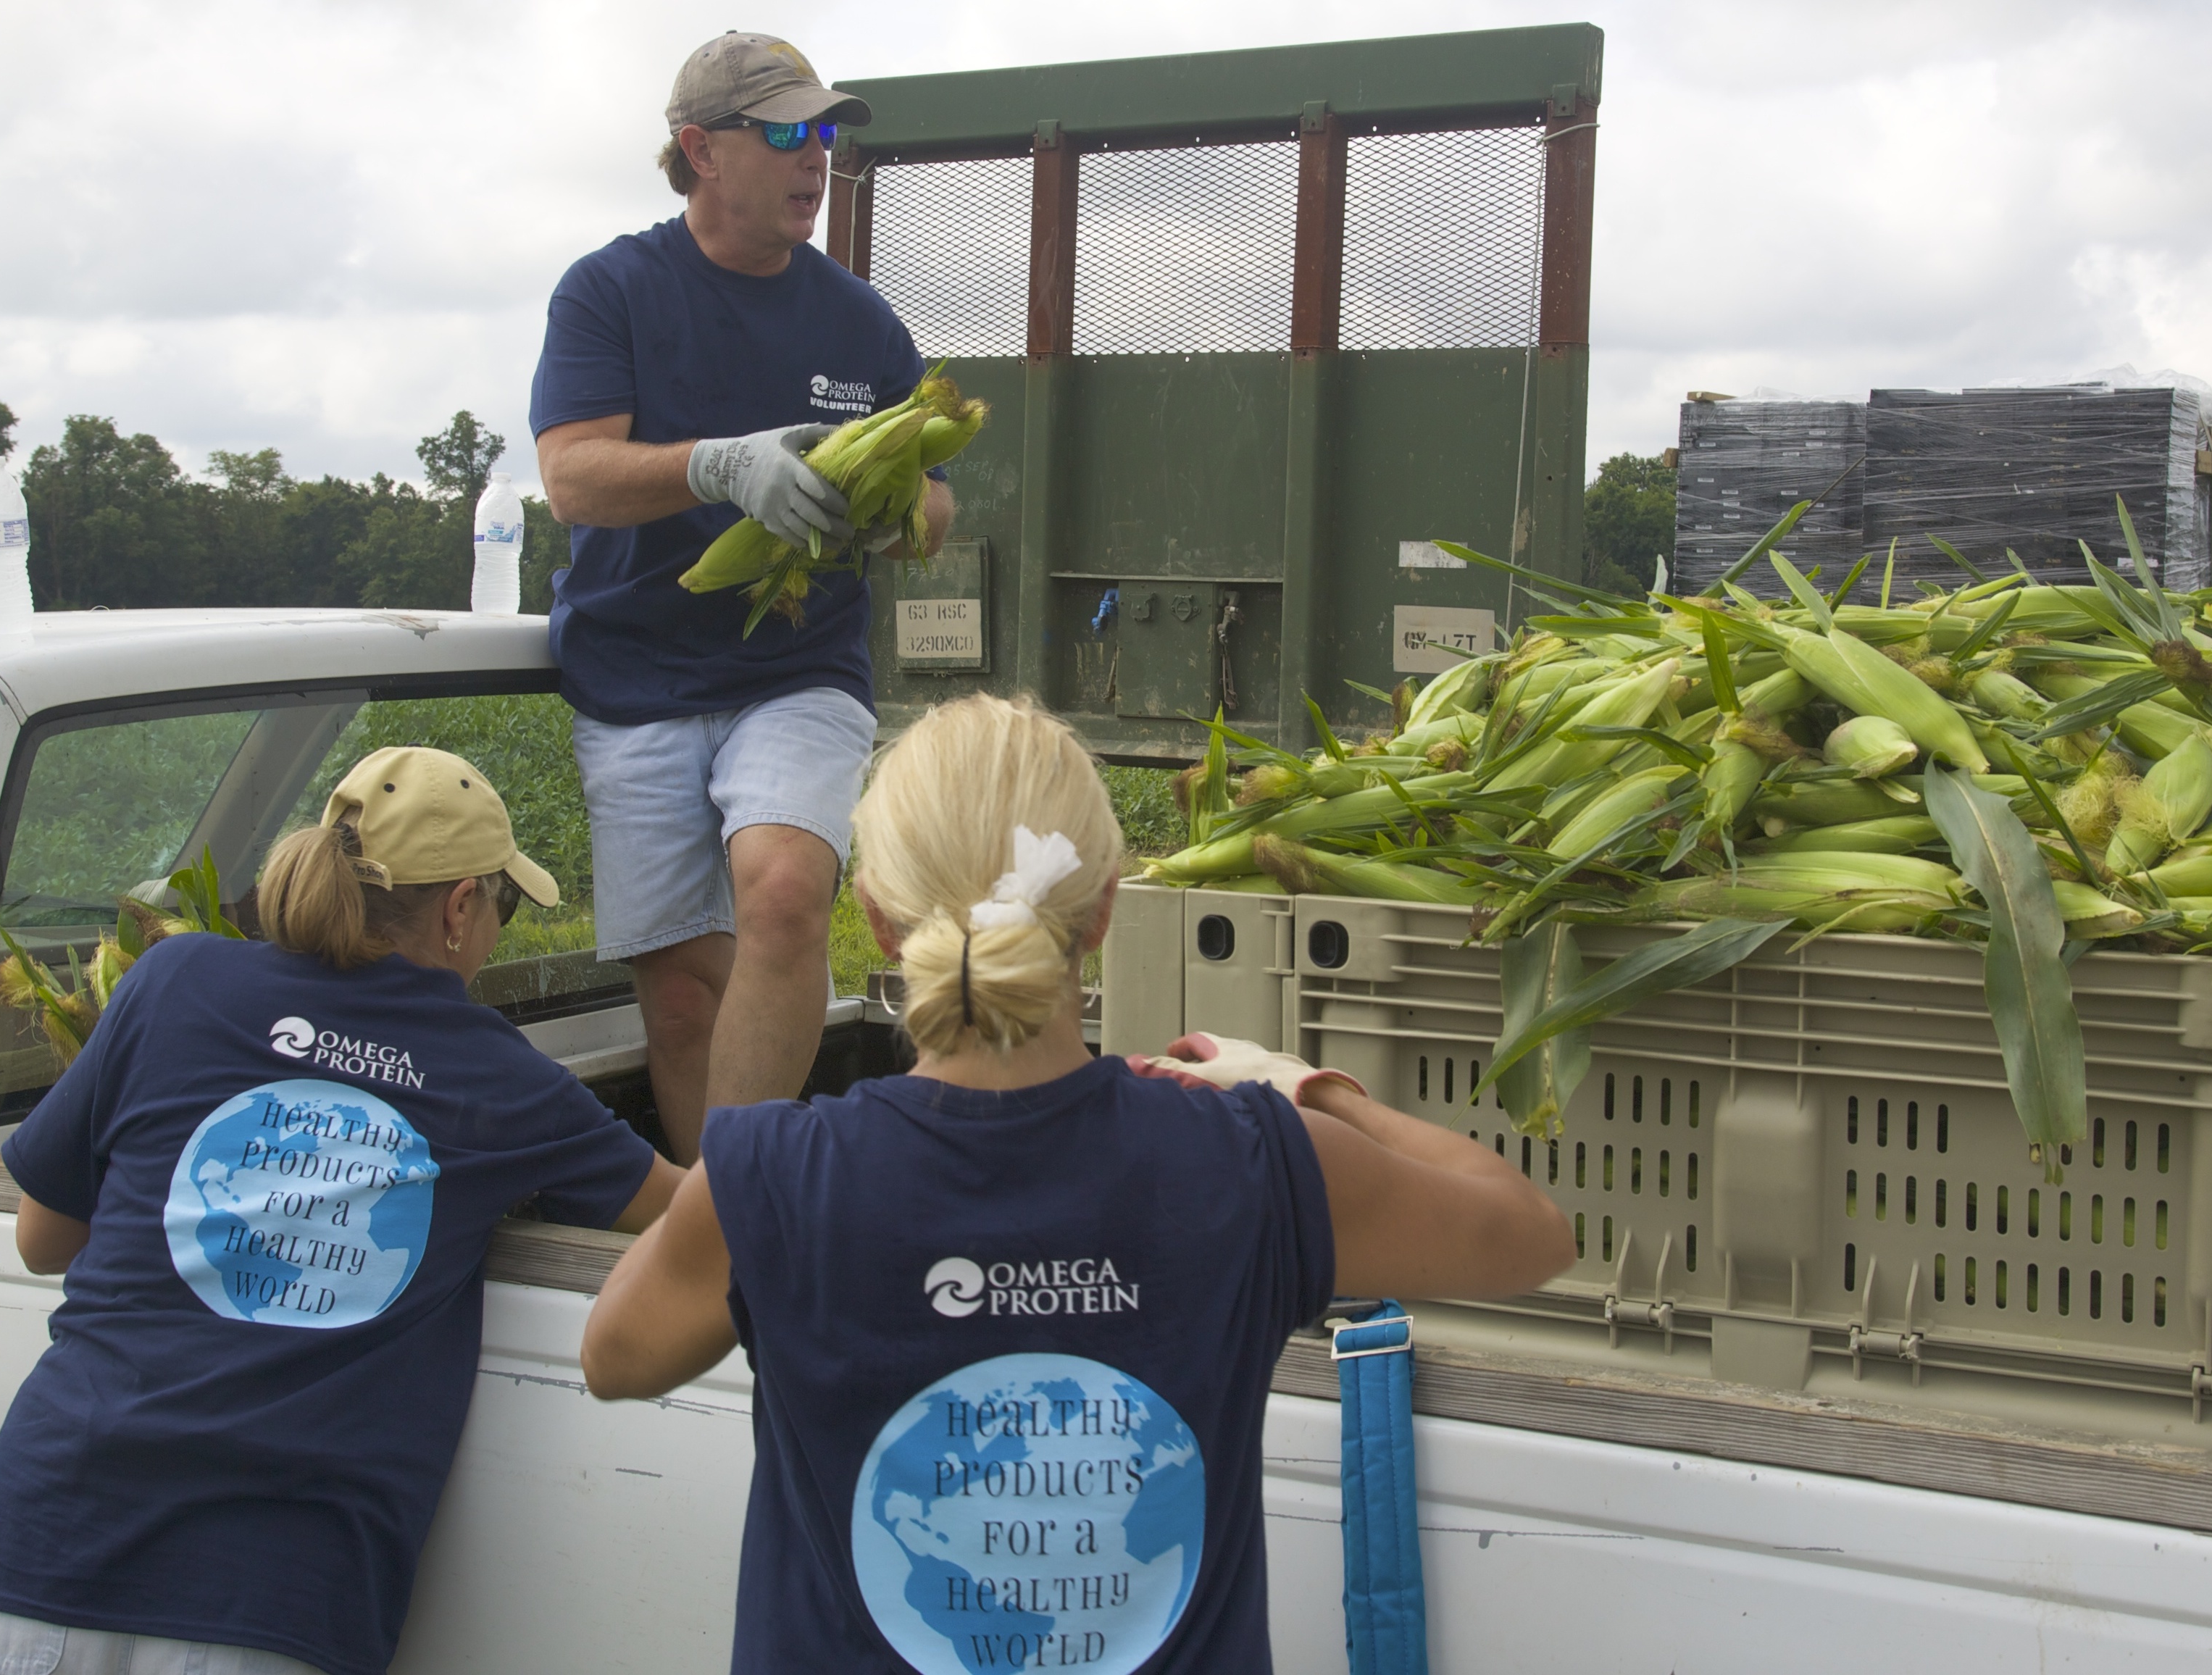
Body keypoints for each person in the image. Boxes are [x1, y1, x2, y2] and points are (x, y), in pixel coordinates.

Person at [580, 695, 1573, 1674]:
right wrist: (1309, 1094)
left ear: (879, 919)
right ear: (1101, 910)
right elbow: (1531, 1233)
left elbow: (612, 1358)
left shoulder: (771, 1175)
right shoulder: (1256, 1159)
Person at [0, 748, 680, 1675]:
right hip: (267, 1600)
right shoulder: (496, 1074)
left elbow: (45, 1237)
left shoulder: (174, 980)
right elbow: (694, 1213)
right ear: (458, 908)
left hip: (36, 1547)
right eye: (503, 905)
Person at [532, 30, 953, 1164]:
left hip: (795, 672)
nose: (816, 155)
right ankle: (711, 1220)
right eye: (785, 132)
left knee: (778, 898)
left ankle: (736, 1217)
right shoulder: (611, 291)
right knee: (678, 998)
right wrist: (717, 465)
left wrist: (889, 511)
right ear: (698, 150)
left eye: (824, 133)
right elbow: (572, 474)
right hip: (635, 683)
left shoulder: (859, 322)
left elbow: (939, 506)